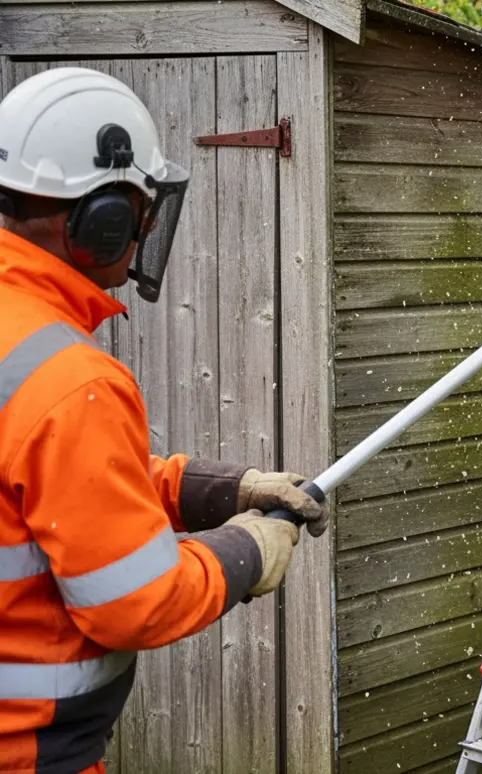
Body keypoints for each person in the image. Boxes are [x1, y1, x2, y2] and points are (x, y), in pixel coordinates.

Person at [0, 67, 328, 774]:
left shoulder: (20, 348)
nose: (147, 226)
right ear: (101, 219)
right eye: (138, 210)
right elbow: (132, 601)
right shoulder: (67, 379)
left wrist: (223, 489)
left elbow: (55, 490)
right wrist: (246, 551)